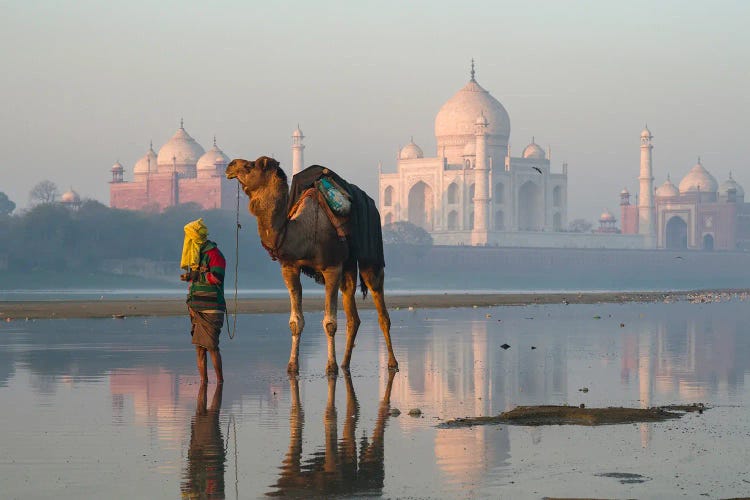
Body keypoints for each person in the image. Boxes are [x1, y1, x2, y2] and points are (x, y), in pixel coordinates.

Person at [180, 218, 226, 383]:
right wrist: (190, 277)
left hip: (212, 307)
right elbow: (195, 281)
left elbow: (217, 278)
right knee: (199, 349)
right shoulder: (194, 256)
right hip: (195, 307)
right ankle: (203, 383)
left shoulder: (214, 254)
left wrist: (197, 275)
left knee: (212, 347)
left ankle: (220, 383)